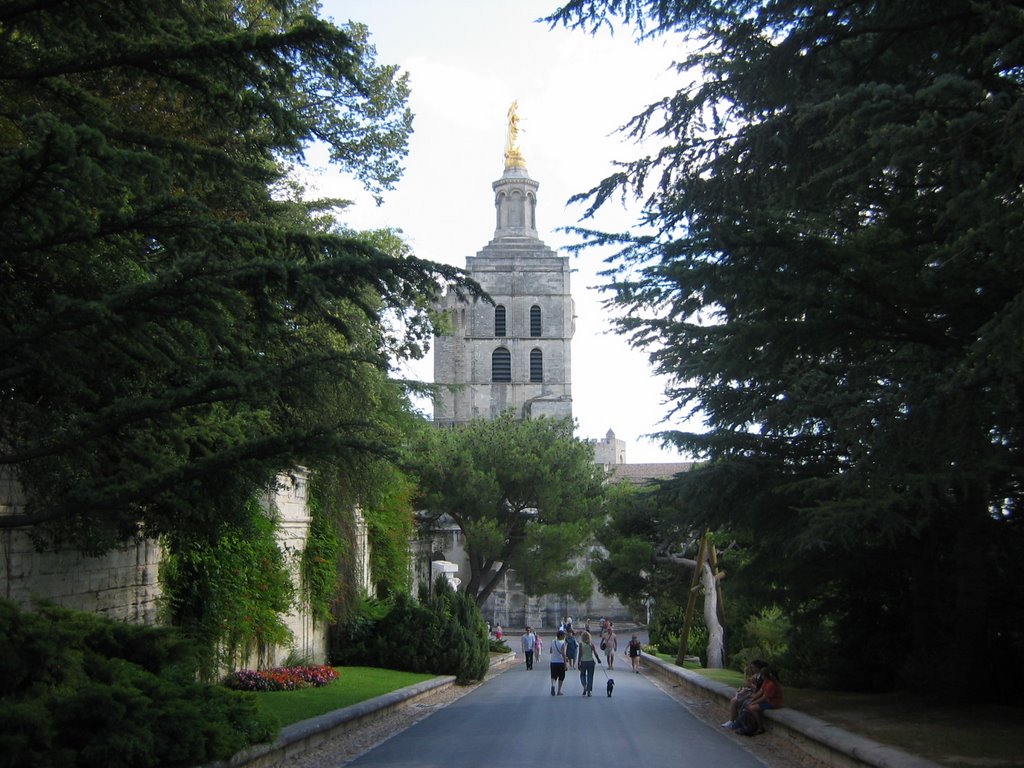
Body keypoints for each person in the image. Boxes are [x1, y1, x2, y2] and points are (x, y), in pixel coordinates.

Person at [721, 660, 766, 728]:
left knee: (745, 703)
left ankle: (739, 722)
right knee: (734, 700)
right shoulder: (756, 675)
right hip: (752, 694)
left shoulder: (763, 677)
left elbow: (760, 691)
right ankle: (732, 721)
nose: (752, 669)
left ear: (758, 667)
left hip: (756, 696)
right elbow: (746, 684)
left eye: (753, 667)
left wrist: (751, 686)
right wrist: (745, 674)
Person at [742, 665, 783, 734]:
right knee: (748, 705)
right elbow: (760, 692)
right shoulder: (765, 682)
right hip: (767, 701)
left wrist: (753, 702)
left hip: (773, 703)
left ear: (765, 676)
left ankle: (760, 727)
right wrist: (753, 699)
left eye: (762, 676)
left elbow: (764, 697)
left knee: (751, 708)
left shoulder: (771, 684)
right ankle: (750, 725)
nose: (761, 677)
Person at [577, 630, 602, 697]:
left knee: (582, 675)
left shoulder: (581, 644)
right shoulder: (591, 644)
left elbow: (580, 654)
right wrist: (598, 659)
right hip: (591, 661)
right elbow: (595, 653)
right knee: (590, 676)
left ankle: (584, 686)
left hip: (583, 661)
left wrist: (578, 662)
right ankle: (589, 691)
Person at [549, 629, 569, 696]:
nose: (564, 636)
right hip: (560, 662)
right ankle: (559, 691)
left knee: (553, 676)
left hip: (553, 661)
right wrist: (565, 664)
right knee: (561, 676)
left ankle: (553, 685)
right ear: (560, 636)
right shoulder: (562, 643)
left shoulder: (553, 641)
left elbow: (551, 651)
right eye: (563, 635)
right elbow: (563, 654)